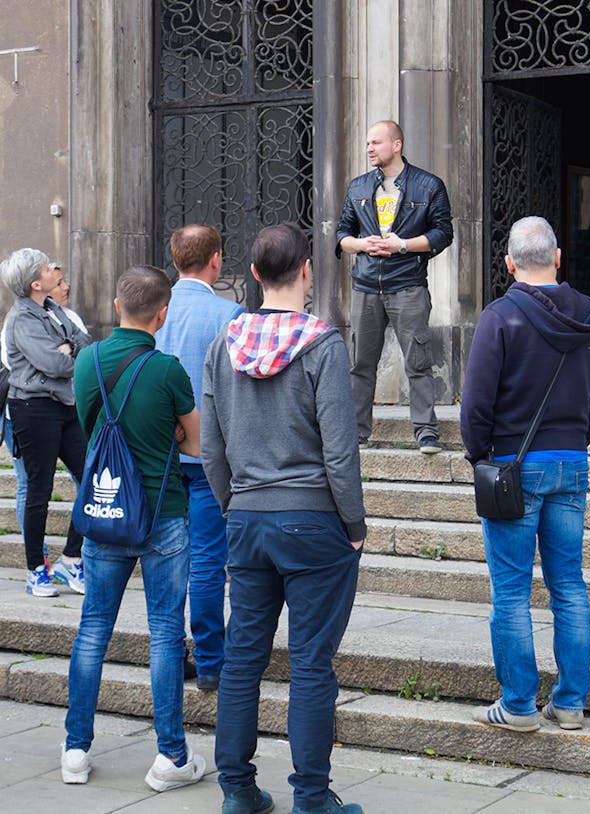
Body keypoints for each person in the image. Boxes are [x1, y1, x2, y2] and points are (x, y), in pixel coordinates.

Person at [202, 224, 367, 814]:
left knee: (244, 658)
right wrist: (355, 525)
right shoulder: (322, 344)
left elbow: (213, 447)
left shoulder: (224, 345)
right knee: (311, 663)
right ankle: (312, 798)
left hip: (246, 517)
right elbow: (339, 453)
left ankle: (238, 790)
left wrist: (232, 504)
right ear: (306, 270)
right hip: (313, 518)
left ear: (252, 274)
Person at [459, 216, 590, 733]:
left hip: (512, 465)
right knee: (569, 585)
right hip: (570, 462)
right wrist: (573, 441)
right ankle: (570, 702)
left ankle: (519, 705)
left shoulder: (500, 317)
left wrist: (481, 456)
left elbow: (476, 404)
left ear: (508, 263)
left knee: (511, 590)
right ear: (558, 257)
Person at [61, 266, 206, 792]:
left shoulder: (88, 361)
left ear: (117, 305)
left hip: (104, 513)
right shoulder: (168, 370)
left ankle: (76, 749)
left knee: (93, 627)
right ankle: (171, 756)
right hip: (164, 515)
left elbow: (90, 429)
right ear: (161, 314)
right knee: (166, 633)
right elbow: (195, 446)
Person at [154, 224, 243, 692]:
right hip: (211, 457)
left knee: (169, 559)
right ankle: (210, 659)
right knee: (209, 561)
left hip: (162, 458)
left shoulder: (155, 311)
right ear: (215, 260)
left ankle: (171, 654)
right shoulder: (229, 313)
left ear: (174, 260)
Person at [335, 119, 453, 452]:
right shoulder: (358, 187)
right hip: (366, 285)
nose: (369, 148)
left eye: (376, 143)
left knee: (417, 360)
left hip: (408, 284)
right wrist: (362, 245)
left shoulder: (428, 186)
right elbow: (342, 234)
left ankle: (426, 432)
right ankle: (357, 433)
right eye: (368, 144)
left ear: (396, 145)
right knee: (360, 363)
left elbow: (444, 234)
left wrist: (402, 245)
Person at [0, 248, 93, 596]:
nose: (55, 268)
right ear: (36, 282)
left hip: (66, 405)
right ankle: (35, 569)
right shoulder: (22, 319)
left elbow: (85, 343)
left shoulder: (53, 310)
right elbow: (53, 365)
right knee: (40, 489)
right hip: (33, 408)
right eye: (47, 267)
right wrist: (68, 351)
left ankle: (71, 558)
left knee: (91, 476)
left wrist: (68, 346)